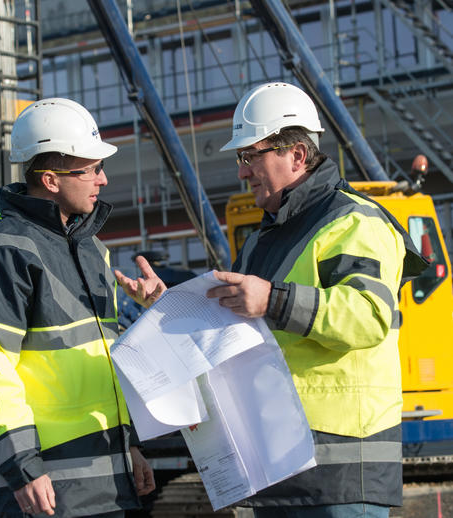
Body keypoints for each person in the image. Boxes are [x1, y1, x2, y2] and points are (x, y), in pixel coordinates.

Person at [116, 82, 428, 518]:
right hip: (276, 461)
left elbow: (369, 316)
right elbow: (235, 324)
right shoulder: (267, 237)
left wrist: (272, 301)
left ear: (297, 155)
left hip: (337, 472)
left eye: (250, 156)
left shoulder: (355, 221)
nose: (242, 171)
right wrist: (168, 306)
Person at [0, 97, 155, 517]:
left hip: (110, 476)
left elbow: (101, 363)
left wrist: (130, 444)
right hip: (48, 485)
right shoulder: (4, 248)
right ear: (50, 180)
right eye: (92, 169)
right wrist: (23, 467)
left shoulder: (90, 248)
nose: (102, 180)